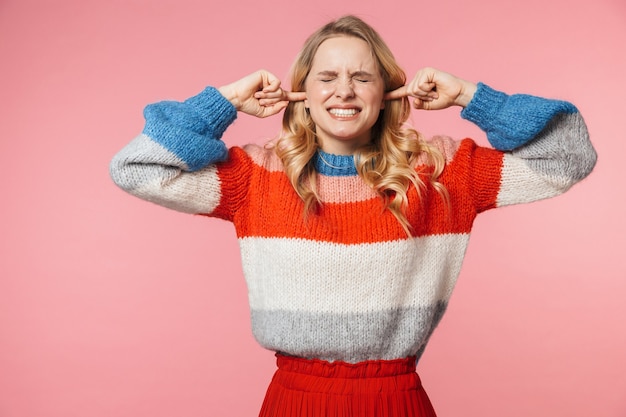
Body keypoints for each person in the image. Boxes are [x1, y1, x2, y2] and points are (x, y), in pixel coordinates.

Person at [110, 14, 597, 417]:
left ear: (386, 90)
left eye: (361, 77)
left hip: (394, 400)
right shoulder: (255, 176)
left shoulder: (442, 171)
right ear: (302, 91)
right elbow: (136, 167)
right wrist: (223, 103)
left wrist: (474, 97)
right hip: (292, 401)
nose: (344, 91)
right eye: (327, 77)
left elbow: (568, 157)